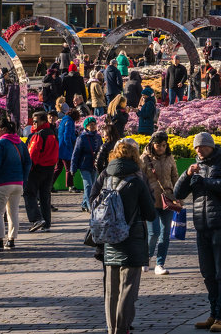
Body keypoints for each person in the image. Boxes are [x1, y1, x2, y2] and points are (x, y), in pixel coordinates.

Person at [174, 132, 221, 332]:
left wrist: (207, 183)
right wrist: (187, 175)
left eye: (202, 146)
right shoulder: (196, 167)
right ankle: (213, 313)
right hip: (201, 226)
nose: (199, 150)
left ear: (211, 146)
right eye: (196, 147)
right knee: (207, 273)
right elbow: (178, 194)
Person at [91, 139, 156, 334]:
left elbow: (92, 202)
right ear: (135, 156)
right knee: (128, 288)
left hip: (109, 238)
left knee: (111, 290)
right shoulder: (137, 178)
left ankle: (112, 329)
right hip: (133, 238)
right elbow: (150, 213)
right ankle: (122, 329)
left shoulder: (105, 175)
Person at [0, 117, 31, 251]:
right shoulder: (20, 143)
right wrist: (23, 178)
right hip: (18, 182)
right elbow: (28, 162)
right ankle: (11, 239)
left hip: (2, 182)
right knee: (13, 212)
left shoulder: (0, 144)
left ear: (4, 129)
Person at [140, 132, 179, 275]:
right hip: (151, 200)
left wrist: (178, 195)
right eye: (158, 145)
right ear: (152, 144)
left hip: (168, 199)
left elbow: (175, 176)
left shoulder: (169, 157)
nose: (161, 148)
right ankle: (146, 257)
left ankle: (160, 263)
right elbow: (140, 179)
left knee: (165, 233)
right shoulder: (145, 159)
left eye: (164, 145)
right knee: (154, 232)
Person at [24, 111, 58, 232]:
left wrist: (28, 168)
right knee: (45, 196)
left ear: (43, 121)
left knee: (29, 193)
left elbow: (32, 154)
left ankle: (36, 219)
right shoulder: (52, 133)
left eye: (35, 121)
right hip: (49, 168)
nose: (33, 124)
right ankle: (46, 223)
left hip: (37, 169)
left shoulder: (39, 135)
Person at [71, 116, 102, 212]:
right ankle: (90, 206)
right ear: (86, 127)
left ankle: (84, 203)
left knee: (93, 185)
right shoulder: (82, 138)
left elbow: (101, 151)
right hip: (84, 165)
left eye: (94, 124)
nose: (93, 126)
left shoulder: (98, 137)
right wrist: (73, 167)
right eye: (90, 125)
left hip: (94, 165)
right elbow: (76, 153)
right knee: (88, 185)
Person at [55, 108, 80, 192]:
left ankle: (49, 184)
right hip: (66, 148)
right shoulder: (69, 122)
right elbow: (67, 136)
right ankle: (70, 186)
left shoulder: (64, 120)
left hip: (60, 147)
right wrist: (71, 147)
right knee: (69, 168)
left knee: (58, 168)